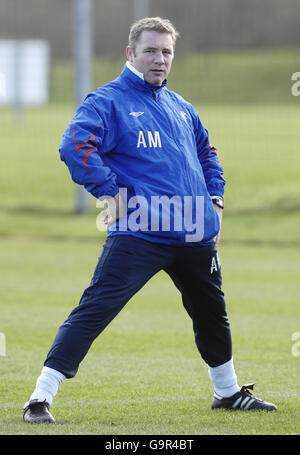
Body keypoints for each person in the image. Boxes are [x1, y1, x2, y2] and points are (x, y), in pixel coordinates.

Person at [23, 17, 276, 424]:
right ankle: (40, 397)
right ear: (130, 53)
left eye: (166, 52)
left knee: (212, 313)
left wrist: (215, 201)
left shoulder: (181, 106)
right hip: (139, 231)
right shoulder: (107, 101)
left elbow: (208, 153)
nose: (160, 59)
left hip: (194, 230)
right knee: (95, 309)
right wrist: (110, 192)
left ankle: (227, 393)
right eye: (151, 51)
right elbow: (75, 145)